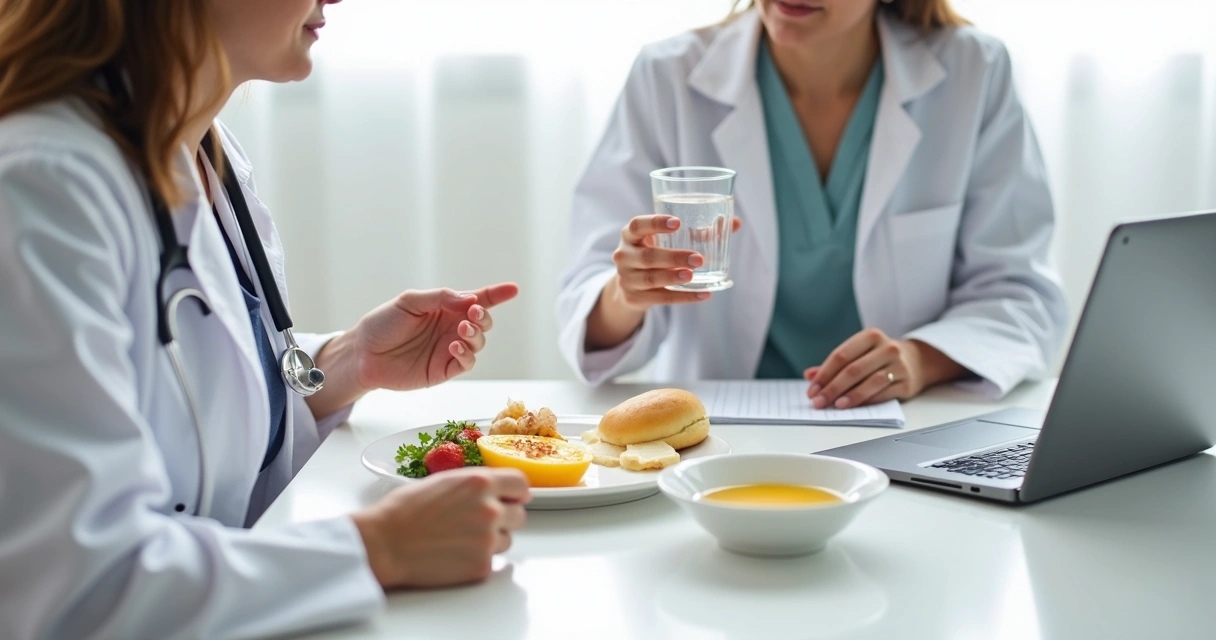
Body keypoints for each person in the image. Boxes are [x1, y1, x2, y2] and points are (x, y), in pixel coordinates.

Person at [0, 1, 529, 637]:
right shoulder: (41, 184)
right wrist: (378, 547)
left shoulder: (205, 152)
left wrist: (346, 361)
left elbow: (195, 386)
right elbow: (74, 588)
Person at [556, 0, 1068, 409]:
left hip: (906, 425)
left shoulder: (973, 72)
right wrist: (629, 293)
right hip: (715, 432)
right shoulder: (665, 76)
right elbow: (589, 300)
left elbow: (1019, 293)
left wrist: (919, 360)